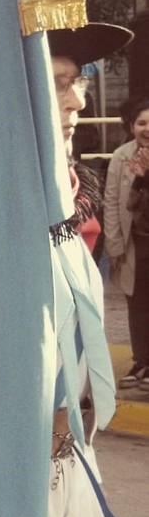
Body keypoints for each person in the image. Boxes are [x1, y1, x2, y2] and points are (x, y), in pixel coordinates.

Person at [109, 98, 149, 389]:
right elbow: (112, 201)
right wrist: (114, 244)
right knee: (137, 303)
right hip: (136, 242)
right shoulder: (122, 156)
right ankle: (142, 362)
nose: (147, 128)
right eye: (141, 122)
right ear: (132, 127)